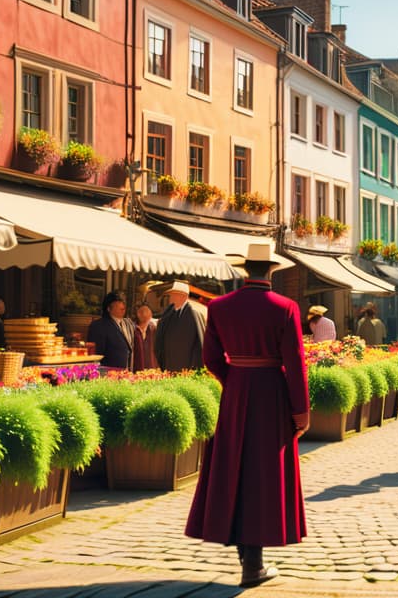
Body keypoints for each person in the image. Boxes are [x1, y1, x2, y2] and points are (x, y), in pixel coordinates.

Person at [185, 243, 308, 588]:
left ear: (244, 270)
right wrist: (301, 411)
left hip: (237, 394)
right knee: (263, 475)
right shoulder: (286, 307)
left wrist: (235, 378)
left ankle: (246, 556)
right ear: (271, 270)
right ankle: (253, 564)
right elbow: (295, 363)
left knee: (234, 469)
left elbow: (210, 358)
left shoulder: (220, 306)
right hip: (271, 394)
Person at [155, 281, 208, 372]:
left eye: (174, 295)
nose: (171, 298)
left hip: (186, 368)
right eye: (171, 295)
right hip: (170, 366)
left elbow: (200, 342)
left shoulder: (193, 314)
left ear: (184, 296)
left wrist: (195, 367)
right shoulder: (169, 313)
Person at [87, 292, 135, 369]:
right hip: (109, 373)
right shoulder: (99, 326)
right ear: (109, 308)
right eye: (118, 304)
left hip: (125, 372)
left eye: (123, 303)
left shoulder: (127, 323)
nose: (122, 307)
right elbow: (95, 355)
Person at [132, 303, 159, 371]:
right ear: (137, 314)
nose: (144, 313)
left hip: (152, 369)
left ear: (151, 314)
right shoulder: (133, 329)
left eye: (147, 311)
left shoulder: (154, 327)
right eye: (141, 311)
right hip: (136, 368)